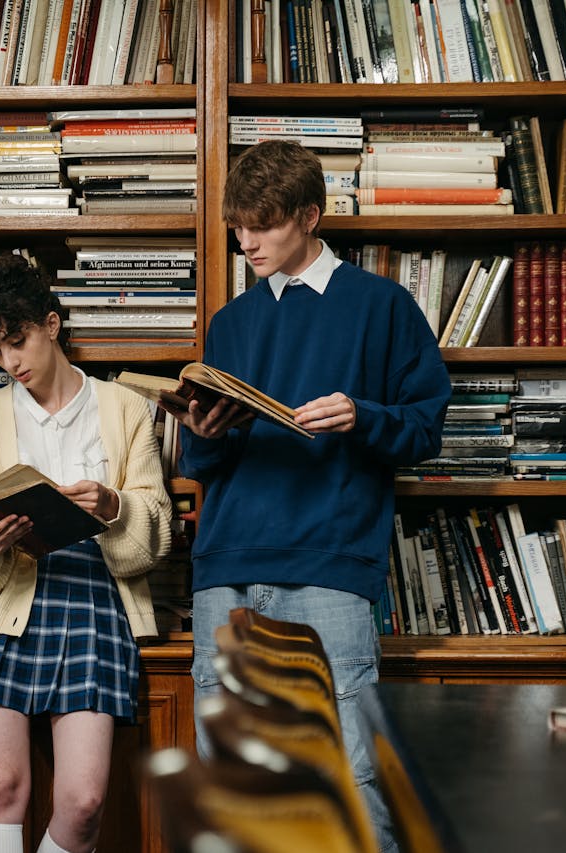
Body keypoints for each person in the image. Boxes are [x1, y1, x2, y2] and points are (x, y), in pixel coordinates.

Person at [169, 140, 451, 852]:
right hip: (226, 570)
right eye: (238, 225)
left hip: (329, 566)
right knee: (231, 792)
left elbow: (424, 428)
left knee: (352, 783)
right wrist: (201, 431)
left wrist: (362, 415)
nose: (246, 240)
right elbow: (208, 462)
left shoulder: (380, 307)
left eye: (262, 224)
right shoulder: (232, 322)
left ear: (311, 216)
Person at [0, 253, 173, 853]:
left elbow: (153, 541)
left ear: (52, 325)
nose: (10, 363)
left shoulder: (124, 408)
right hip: (5, 602)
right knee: (3, 787)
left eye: (19, 342)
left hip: (92, 602)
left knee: (83, 803)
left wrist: (114, 506)